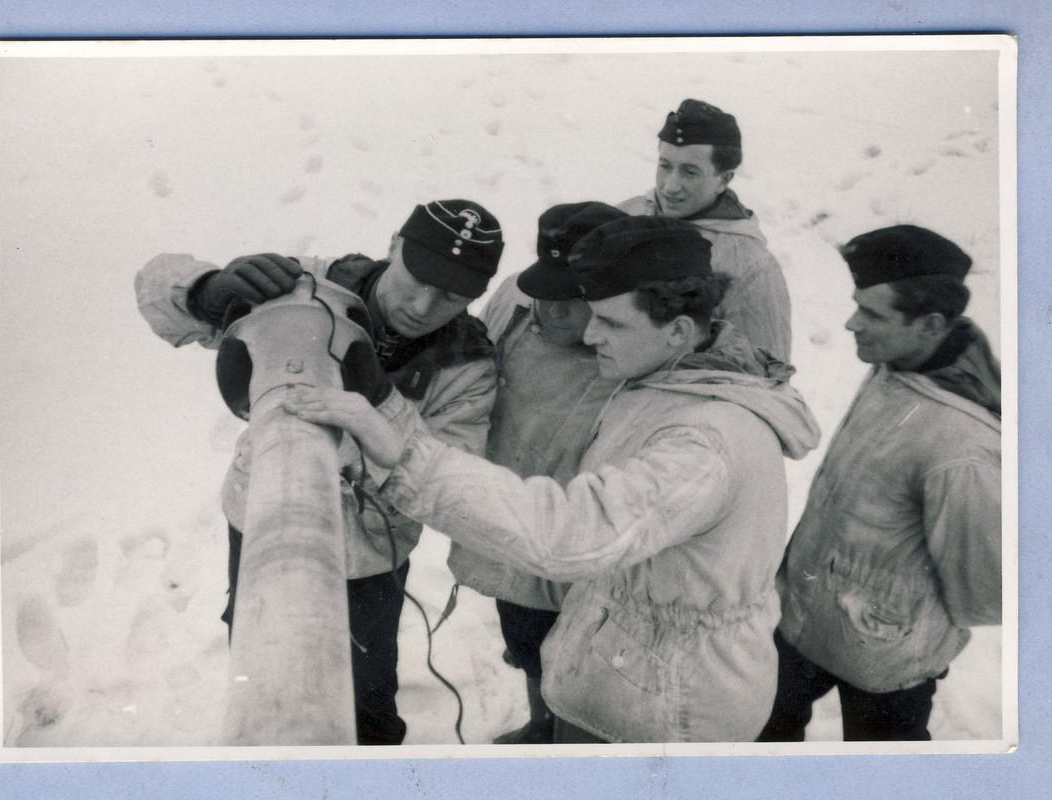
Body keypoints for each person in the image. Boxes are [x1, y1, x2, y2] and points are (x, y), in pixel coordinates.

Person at [286, 216, 821, 743]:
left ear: (679, 330)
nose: (589, 334)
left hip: (662, 718)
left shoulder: (704, 441)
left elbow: (572, 534)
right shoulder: (663, 378)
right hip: (626, 680)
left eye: (610, 323)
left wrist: (403, 457)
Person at [134, 199, 504, 745]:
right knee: (263, 659)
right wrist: (204, 292)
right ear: (395, 246)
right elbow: (153, 282)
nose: (424, 305)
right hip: (263, 515)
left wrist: (378, 400)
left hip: (369, 553)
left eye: (452, 296)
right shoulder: (314, 288)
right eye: (418, 279)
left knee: (365, 699)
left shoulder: (466, 365)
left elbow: (447, 479)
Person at [757, 225, 1002, 742]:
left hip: (883, 664)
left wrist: (887, 611)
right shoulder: (900, 363)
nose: (851, 323)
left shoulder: (962, 447)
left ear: (930, 324)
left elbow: (986, 591)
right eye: (856, 305)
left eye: (871, 313)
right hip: (802, 621)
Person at [446, 201, 627, 744]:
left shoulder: (630, 349)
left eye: (570, 298)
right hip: (512, 515)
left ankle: (571, 744)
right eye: (543, 291)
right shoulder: (520, 303)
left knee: (581, 660)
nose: (550, 309)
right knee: (525, 634)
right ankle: (541, 725)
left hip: (586, 537)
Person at [619, 98, 792, 361]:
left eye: (689, 172)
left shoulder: (750, 265)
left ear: (723, 179)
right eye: (665, 166)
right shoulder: (626, 215)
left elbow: (763, 374)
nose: (669, 187)